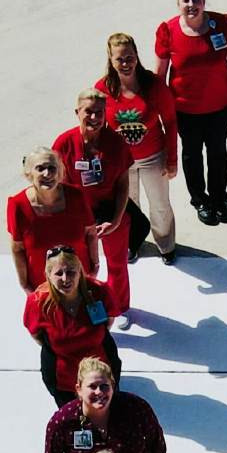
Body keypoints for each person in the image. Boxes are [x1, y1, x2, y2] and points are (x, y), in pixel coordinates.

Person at [154, 0, 227, 226]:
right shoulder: (168, 32)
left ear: (204, 1)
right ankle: (200, 200)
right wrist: (160, 110)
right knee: (192, 155)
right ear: (178, 4)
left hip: (220, 108)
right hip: (185, 111)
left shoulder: (222, 25)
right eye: (186, 0)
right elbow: (159, 77)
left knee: (218, 153)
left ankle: (218, 199)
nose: (191, 4)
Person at [53, 89, 134, 327]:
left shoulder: (116, 143)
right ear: (77, 112)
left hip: (110, 214)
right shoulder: (64, 143)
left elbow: (123, 185)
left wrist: (117, 220)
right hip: (78, 217)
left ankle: (118, 308)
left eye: (100, 112)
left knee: (117, 264)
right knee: (82, 268)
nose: (95, 117)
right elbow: (60, 185)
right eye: (89, 111)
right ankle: (83, 306)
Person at [44, 356, 167, 453]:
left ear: (113, 386)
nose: (99, 392)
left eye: (104, 386)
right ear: (79, 390)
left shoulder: (136, 408)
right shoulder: (62, 422)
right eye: (92, 386)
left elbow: (156, 442)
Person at [98, 32, 178, 265]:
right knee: (127, 208)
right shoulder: (102, 89)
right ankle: (133, 243)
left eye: (130, 57)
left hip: (154, 158)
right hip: (122, 163)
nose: (126, 64)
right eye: (120, 59)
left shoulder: (153, 85)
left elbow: (171, 122)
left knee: (160, 205)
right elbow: (98, 128)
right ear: (111, 61)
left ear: (137, 56)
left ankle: (166, 244)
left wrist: (171, 159)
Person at [22, 247, 121, 407]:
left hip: (101, 374)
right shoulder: (37, 302)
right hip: (63, 380)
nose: (65, 278)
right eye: (58, 273)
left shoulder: (99, 291)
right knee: (73, 419)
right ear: (48, 275)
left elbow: (108, 321)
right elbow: (36, 334)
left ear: (80, 271)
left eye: (71, 272)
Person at [6, 148, 98, 292]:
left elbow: (91, 233)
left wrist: (94, 268)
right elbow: (17, 248)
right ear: (29, 174)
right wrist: (25, 285)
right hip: (42, 289)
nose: (47, 174)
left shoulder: (76, 196)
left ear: (60, 172)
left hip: (80, 283)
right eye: (40, 168)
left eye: (52, 168)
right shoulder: (17, 205)